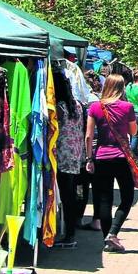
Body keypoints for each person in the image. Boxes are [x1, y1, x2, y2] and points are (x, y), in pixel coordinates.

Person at [85, 74, 137, 252]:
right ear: (122, 88)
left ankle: (108, 237)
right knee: (127, 197)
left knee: (104, 198)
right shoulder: (127, 107)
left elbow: (88, 136)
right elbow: (134, 131)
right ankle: (113, 233)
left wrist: (88, 158)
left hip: (101, 157)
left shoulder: (95, 107)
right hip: (121, 158)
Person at [54, 71, 85, 248]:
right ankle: (71, 231)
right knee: (70, 194)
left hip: (62, 154)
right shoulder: (78, 106)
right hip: (74, 154)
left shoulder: (60, 107)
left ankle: (69, 235)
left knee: (65, 195)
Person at [75, 71, 102, 232]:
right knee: (98, 187)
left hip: (84, 149)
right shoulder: (99, 102)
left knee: (81, 187)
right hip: (100, 149)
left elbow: (86, 133)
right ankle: (97, 220)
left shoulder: (83, 103)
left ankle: (77, 217)